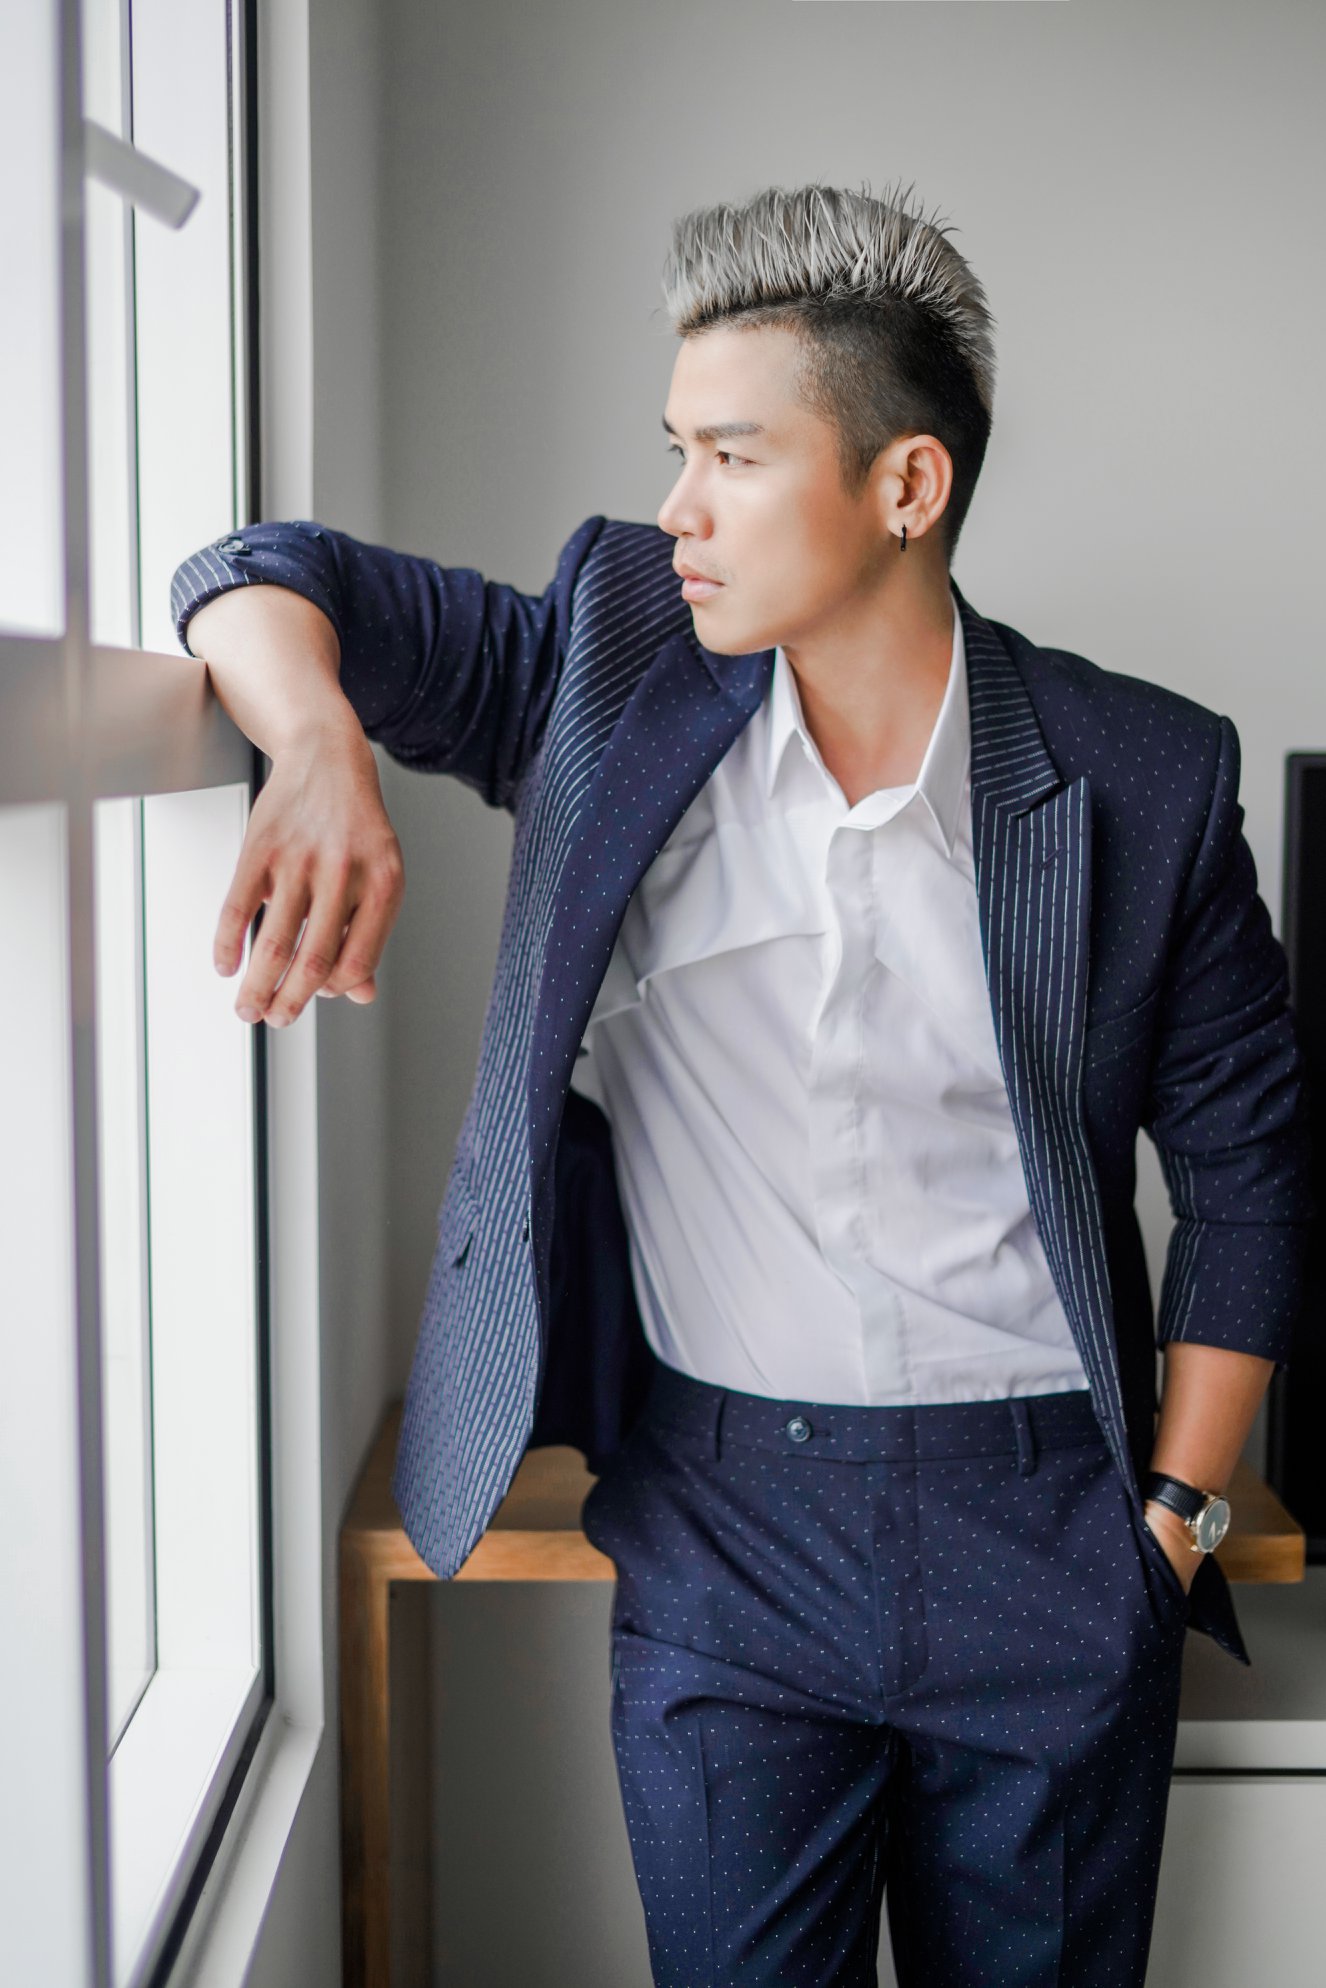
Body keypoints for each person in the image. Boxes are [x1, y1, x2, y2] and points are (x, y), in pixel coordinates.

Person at [172, 179, 1312, 1986]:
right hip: (721, 1526)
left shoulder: (1137, 774)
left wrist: (1167, 1525)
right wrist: (315, 745)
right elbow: (251, 573)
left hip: (1045, 1521)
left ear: (904, 484)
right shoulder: (609, 666)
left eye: (731, 457)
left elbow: (1255, 1170)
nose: (677, 510)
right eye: (673, 452)